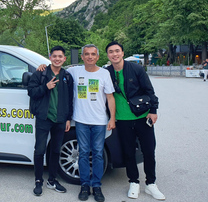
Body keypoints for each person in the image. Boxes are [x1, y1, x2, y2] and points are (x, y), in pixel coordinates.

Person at [105, 41, 165, 200]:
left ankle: (151, 184)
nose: (114, 54)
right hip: (122, 120)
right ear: (107, 55)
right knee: (128, 152)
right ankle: (134, 182)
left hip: (142, 117)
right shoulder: (107, 72)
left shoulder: (136, 69)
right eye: (111, 52)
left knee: (148, 151)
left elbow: (149, 91)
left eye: (117, 51)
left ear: (122, 53)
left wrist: (153, 110)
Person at [67, 44, 115, 202]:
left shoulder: (104, 73)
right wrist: (42, 66)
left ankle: (97, 186)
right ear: (82, 57)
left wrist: (112, 118)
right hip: (81, 121)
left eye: (93, 54)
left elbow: (110, 98)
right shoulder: (74, 71)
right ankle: (84, 186)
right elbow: (56, 68)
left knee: (98, 155)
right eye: (86, 54)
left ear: (97, 56)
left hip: (99, 121)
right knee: (83, 154)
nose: (90, 57)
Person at [28, 46, 74, 196]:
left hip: (60, 120)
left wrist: (68, 118)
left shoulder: (67, 76)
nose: (57, 59)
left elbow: (70, 100)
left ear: (64, 59)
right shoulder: (40, 73)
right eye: (54, 56)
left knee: (55, 150)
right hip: (44, 118)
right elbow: (31, 92)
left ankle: (52, 180)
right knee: (40, 150)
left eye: (60, 56)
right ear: (50, 57)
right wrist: (45, 87)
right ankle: (38, 180)